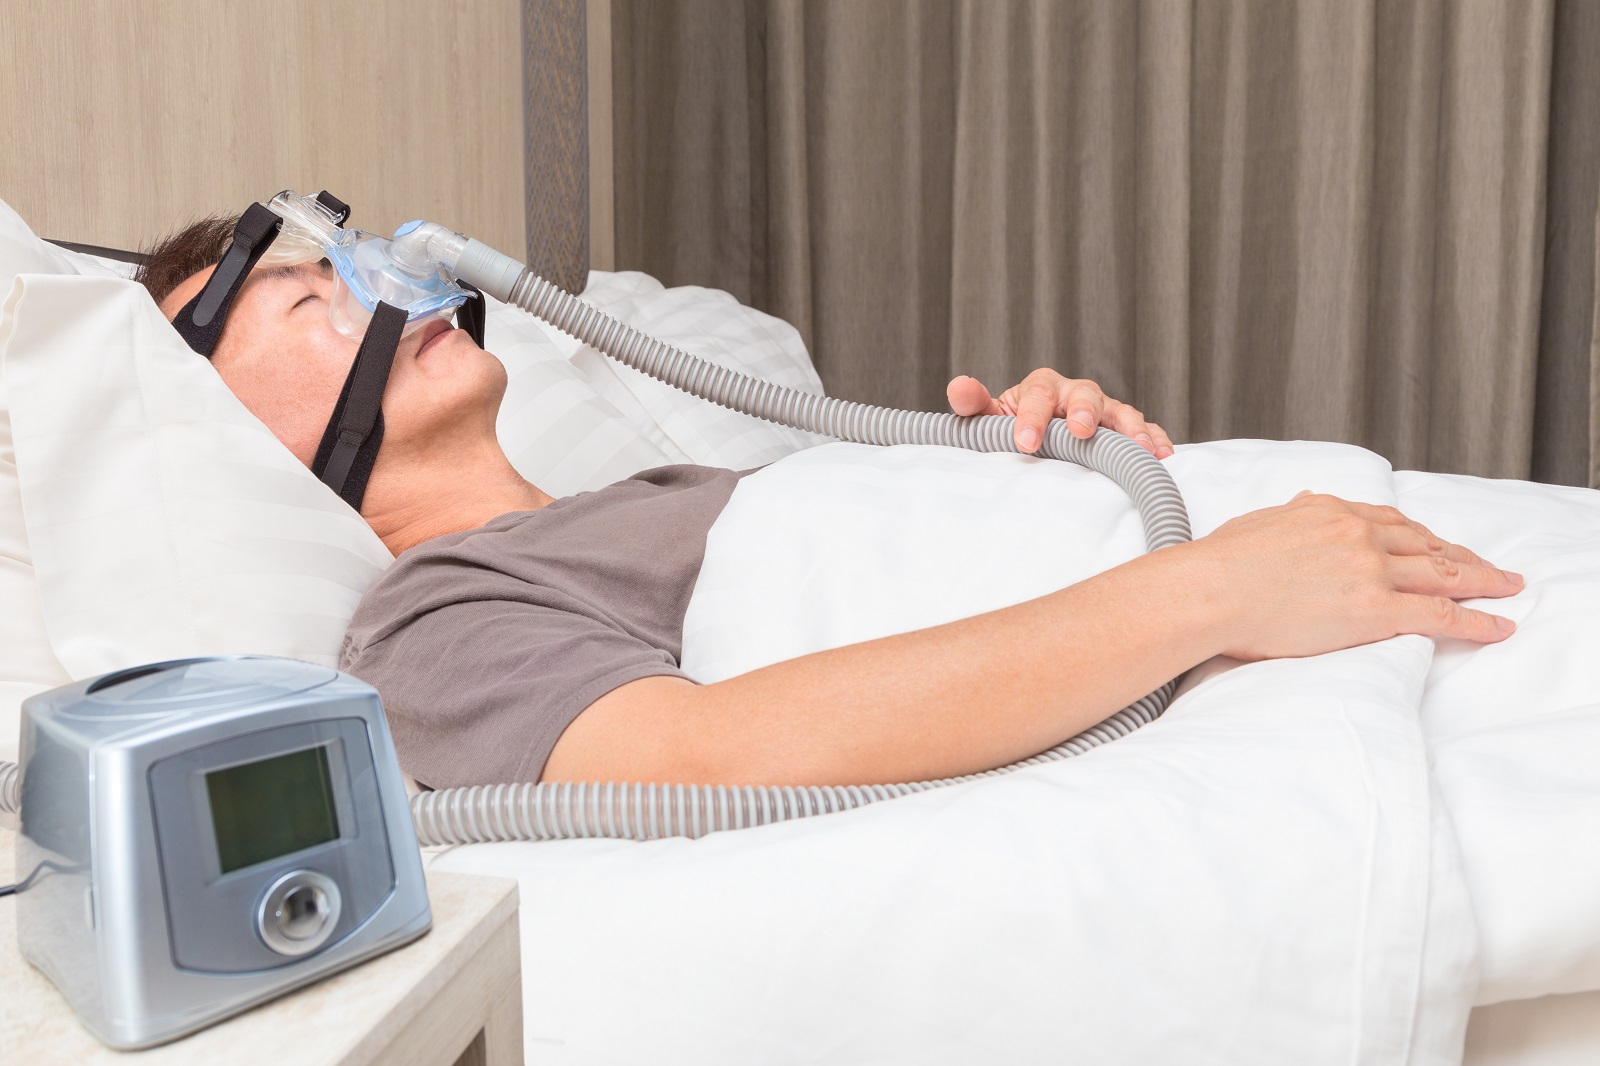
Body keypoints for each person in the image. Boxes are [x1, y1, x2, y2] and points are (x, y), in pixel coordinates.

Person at [137, 218, 1522, 791]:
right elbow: (705, 757)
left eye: (349, 258)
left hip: (1292, 569)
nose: (373, 285)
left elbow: (866, 581)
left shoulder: (637, 504)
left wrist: (1064, 463)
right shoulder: (430, 621)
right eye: (310, 298)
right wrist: (1201, 587)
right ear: (224, 440)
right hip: (1271, 642)